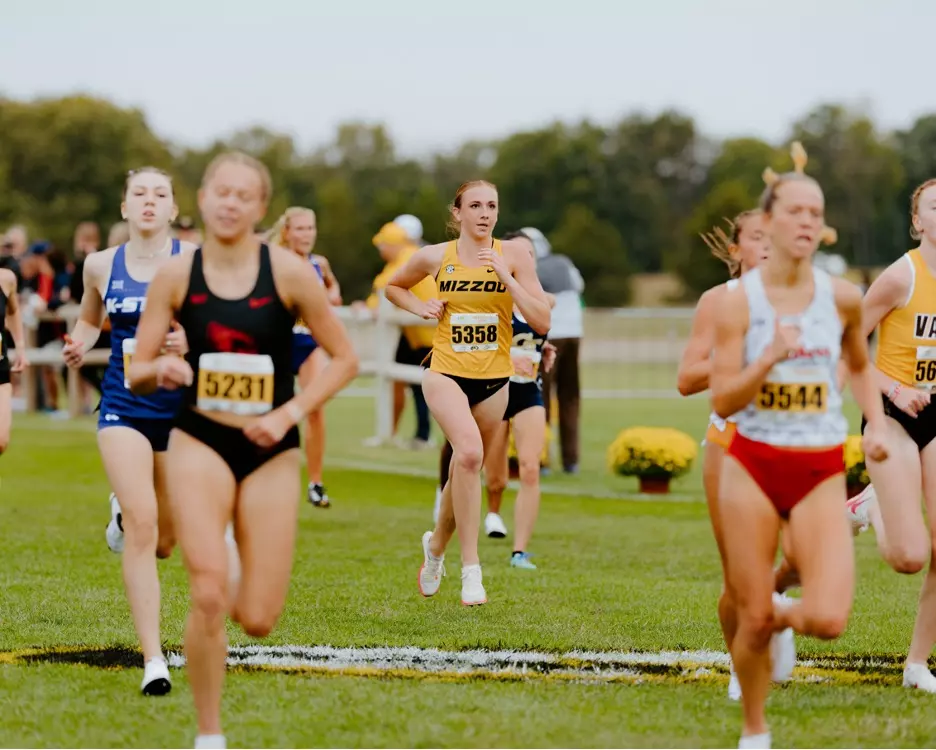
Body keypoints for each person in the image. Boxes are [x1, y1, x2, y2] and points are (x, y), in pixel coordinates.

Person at [128, 152, 358, 749]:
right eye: (220, 191)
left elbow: (345, 359)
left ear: (261, 208)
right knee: (207, 592)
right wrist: (166, 369)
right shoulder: (177, 278)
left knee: (257, 617)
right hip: (199, 438)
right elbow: (138, 371)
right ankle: (210, 735)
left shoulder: (287, 272)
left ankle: (226, 545)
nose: (230, 202)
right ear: (202, 199)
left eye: (244, 195)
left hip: (272, 446)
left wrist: (290, 411)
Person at [710, 144, 889, 749]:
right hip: (753, 466)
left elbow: (861, 366)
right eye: (796, 210)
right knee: (749, 613)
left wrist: (878, 423)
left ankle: (778, 614)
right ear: (770, 220)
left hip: (817, 468)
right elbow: (725, 398)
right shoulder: (739, 303)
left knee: (828, 620)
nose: (808, 220)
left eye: (816, 211)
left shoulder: (841, 297)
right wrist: (768, 357)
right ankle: (755, 731)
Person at [62, 167, 195, 697]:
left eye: (159, 194)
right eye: (138, 194)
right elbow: (91, 318)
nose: (148, 202)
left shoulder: (193, 262)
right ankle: (154, 660)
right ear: (124, 208)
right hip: (122, 407)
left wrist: (189, 341)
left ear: (171, 209)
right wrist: (78, 342)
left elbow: (213, 327)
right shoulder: (100, 264)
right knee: (144, 525)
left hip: (180, 410)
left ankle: (121, 509)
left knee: (165, 541)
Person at [385, 180, 550, 606]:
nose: (484, 213)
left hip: (496, 378)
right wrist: (419, 307)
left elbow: (543, 320)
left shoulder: (514, 255)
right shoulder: (435, 256)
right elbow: (394, 286)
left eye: (492, 205)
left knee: (464, 464)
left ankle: (435, 547)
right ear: (457, 213)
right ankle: (471, 571)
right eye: (474, 205)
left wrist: (507, 280)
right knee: (471, 455)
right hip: (444, 372)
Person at [677, 209, 800, 701]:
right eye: (756, 237)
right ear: (736, 250)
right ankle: (742, 664)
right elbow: (687, 378)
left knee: (803, 555)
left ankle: (774, 602)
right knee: (736, 573)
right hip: (730, 441)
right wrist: (748, 355)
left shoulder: (807, 297)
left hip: (793, 438)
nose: (769, 245)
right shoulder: (719, 301)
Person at [845, 176, 936, 692]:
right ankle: (870, 504)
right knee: (907, 557)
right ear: (918, 221)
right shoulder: (901, 276)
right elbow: (847, 346)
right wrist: (896, 390)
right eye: (935, 207)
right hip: (891, 410)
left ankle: (917, 665)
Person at [266, 206, 342, 507]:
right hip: (280, 342)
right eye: (300, 228)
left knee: (315, 407)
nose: (307, 234)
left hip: (309, 341)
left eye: (310, 228)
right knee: (272, 407)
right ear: (286, 232)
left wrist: (330, 295)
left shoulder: (318, 264)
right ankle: (269, 475)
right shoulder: (274, 260)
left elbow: (333, 289)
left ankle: (315, 482)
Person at [531, 227, 584, 474]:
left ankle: (542, 458)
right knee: (570, 397)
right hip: (574, 332)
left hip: (550, 336)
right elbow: (579, 285)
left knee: (542, 397)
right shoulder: (563, 262)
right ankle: (571, 460)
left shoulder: (532, 268)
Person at [0, 266, 28, 451]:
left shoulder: (6, 278)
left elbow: (13, 311)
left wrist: (20, 347)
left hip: (0, 367)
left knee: (1, 441)